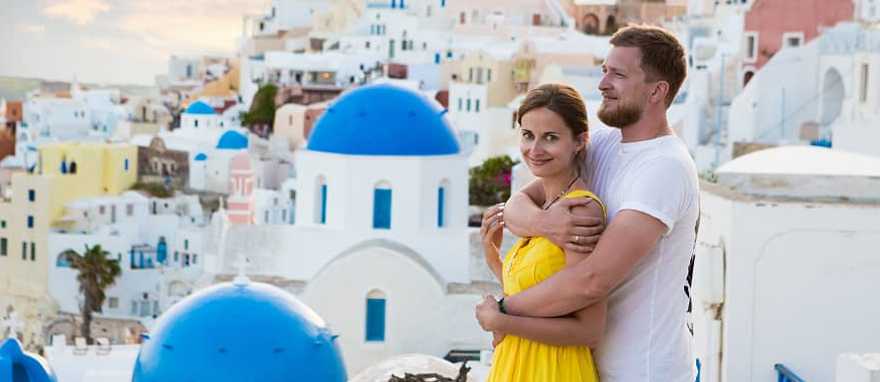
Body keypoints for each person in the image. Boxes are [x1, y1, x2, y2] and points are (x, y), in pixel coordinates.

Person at [476, 25, 699, 382]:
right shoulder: (607, 144)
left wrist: (502, 311)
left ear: (657, 91)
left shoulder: (665, 167)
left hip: (643, 370)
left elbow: (592, 280)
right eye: (604, 70)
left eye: (619, 74)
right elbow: (519, 202)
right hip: (585, 364)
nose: (603, 84)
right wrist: (544, 224)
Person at [480, 83, 606, 382]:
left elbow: (588, 329)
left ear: (579, 141)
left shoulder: (579, 213)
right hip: (516, 362)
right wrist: (493, 258)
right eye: (527, 135)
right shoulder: (546, 210)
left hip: (552, 369)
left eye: (550, 138)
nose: (534, 150)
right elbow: (539, 296)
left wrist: (501, 320)